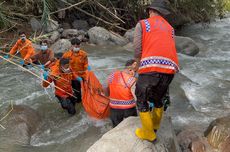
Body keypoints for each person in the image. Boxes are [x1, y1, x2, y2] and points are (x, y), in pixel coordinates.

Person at [133, 0, 179, 142]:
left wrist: (137, 64)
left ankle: (148, 133)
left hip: (150, 68)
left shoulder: (143, 24)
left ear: (151, 11)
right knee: (158, 99)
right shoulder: (170, 28)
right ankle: (155, 127)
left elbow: (137, 48)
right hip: (170, 68)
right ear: (162, 13)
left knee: (141, 99)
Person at [107, 59, 138, 127]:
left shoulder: (111, 76)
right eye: (135, 71)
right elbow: (136, 97)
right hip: (128, 109)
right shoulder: (131, 80)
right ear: (130, 70)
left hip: (113, 109)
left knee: (116, 128)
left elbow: (108, 90)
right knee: (131, 127)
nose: (135, 73)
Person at [62, 38, 89, 103]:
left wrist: (88, 70)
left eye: (78, 46)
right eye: (75, 46)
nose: (76, 48)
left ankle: (84, 101)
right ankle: (78, 101)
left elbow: (86, 64)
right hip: (72, 77)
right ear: (71, 46)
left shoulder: (84, 54)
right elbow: (61, 64)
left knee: (86, 91)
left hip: (82, 76)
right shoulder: (66, 55)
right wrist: (65, 69)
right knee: (77, 92)